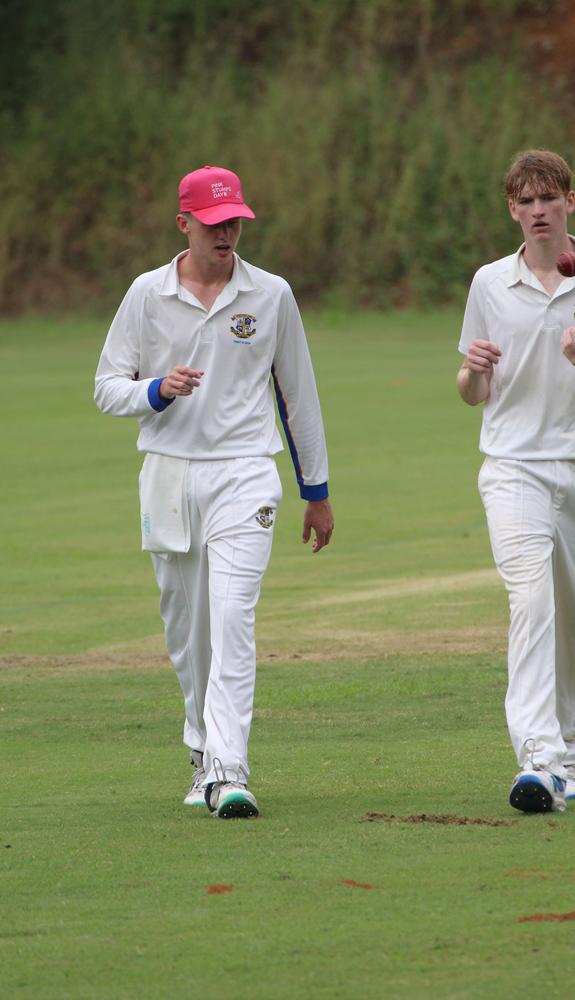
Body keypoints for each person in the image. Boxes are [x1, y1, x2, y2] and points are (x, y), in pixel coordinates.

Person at [95, 165, 334, 819]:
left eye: (234, 222)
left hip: (245, 473)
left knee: (231, 617)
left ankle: (230, 770)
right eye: (213, 223)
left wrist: (316, 489)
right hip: (168, 474)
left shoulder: (270, 293)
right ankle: (201, 750)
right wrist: (155, 391)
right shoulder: (147, 294)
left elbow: (298, 394)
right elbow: (106, 385)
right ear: (185, 225)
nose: (226, 233)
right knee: (186, 628)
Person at [456, 149, 575, 814]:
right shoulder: (489, 283)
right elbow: (471, 391)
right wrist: (473, 370)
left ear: (571, 201)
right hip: (514, 466)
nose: (537, 211)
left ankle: (570, 754)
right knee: (532, 600)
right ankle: (537, 759)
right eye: (525, 201)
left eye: (548, 198)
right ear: (512, 209)